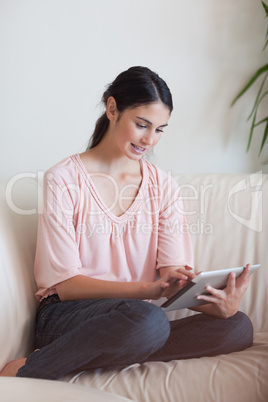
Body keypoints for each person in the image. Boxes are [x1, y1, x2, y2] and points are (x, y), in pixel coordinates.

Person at [1, 66, 253, 380]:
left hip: (132, 321)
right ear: (112, 109)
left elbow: (171, 277)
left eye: (160, 129)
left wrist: (215, 302)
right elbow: (66, 286)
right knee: (149, 321)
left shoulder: (164, 186)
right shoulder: (63, 179)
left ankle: (95, 354)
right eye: (142, 124)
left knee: (238, 326)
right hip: (67, 316)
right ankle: (29, 370)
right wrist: (149, 290)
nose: (150, 139)